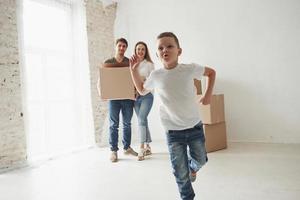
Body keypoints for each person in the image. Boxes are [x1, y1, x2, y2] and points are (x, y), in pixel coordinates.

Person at [129, 32, 216, 200]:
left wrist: (207, 95)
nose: (165, 50)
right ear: (156, 54)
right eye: (160, 48)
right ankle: (187, 197)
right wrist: (133, 72)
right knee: (179, 171)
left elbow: (211, 73)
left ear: (179, 51)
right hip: (173, 131)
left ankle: (193, 168)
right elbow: (141, 90)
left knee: (201, 159)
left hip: (194, 126)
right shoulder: (156, 75)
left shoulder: (189, 69)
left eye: (169, 46)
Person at [101, 38, 138, 162]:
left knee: (127, 124)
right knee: (113, 125)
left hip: (127, 98)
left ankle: (127, 148)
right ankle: (113, 151)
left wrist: (136, 91)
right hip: (114, 99)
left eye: (124, 46)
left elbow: (135, 78)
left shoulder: (129, 62)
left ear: (126, 48)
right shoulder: (108, 62)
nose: (122, 48)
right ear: (116, 46)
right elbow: (102, 80)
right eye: (120, 46)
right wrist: (103, 93)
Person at [132, 41, 155, 161]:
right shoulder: (132, 65)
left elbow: (152, 82)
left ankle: (141, 148)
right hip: (135, 97)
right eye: (138, 49)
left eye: (142, 49)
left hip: (147, 95)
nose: (140, 51)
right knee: (143, 120)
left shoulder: (150, 64)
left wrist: (142, 80)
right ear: (135, 51)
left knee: (141, 119)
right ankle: (148, 146)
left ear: (145, 51)